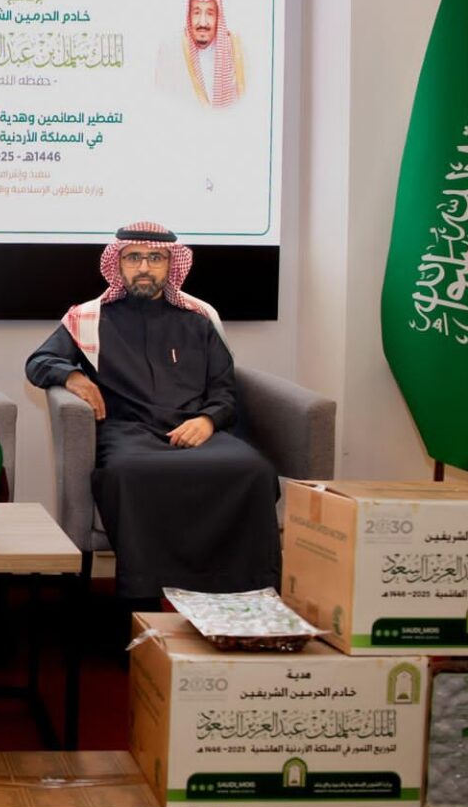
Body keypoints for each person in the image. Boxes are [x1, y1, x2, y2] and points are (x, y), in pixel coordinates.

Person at [25, 221, 279, 602]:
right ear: (118, 264)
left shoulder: (199, 319)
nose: (144, 267)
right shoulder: (90, 318)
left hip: (195, 431)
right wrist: (73, 376)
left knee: (254, 470)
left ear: (171, 264)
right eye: (134, 258)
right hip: (128, 434)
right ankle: (144, 599)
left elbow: (224, 391)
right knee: (127, 474)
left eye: (155, 258)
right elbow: (38, 362)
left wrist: (207, 420)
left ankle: (249, 596)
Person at [155, 0, 245, 108]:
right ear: (189, 16)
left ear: (218, 17)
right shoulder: (171, 51)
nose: (203, 22)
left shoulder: (236, 49)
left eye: (210, 14)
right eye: (196, 13)